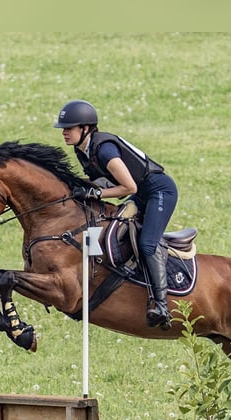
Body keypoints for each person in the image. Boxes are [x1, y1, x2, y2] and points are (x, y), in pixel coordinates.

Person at [54, 99, 178, 330]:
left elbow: (129, 187)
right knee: (113, 227)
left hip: (158, 192)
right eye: (63, 129)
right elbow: (103, 181)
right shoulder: (82, 150)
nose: (64, 133)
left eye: (69, 128)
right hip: (141, 194)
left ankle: (161, 304)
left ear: (85, 128)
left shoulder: (104, 149)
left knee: (147, 244)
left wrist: (97, 193)